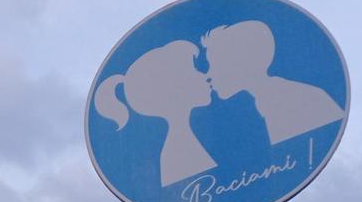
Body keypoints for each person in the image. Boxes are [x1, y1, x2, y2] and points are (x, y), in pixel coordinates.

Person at [94, 40, 215, 187]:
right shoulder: (180, 148)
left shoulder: (181, 141)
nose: (205, 75)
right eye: (194, 70)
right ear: (173, 87)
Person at [201, 20, 344, 144]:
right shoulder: (267, 102)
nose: (208, 75)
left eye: (215, 65)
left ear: (242, 63)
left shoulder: (306, 100)